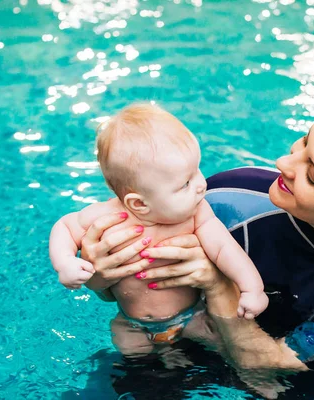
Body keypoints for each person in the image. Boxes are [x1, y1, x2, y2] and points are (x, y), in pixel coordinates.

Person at [78, 93, 314, 370]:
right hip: (165, 343)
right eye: (303, 141)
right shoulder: (229, 192)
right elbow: (124, 289)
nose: (284, 161)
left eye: (311, 176)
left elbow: (272, 368)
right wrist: (101, 273)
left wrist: (217, 285)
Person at [49, 103, 268, 355]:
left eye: (197, 170)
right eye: (185, 182)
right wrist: (65, 263)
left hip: (192, 315)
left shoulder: (197, 215)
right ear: (139, 203)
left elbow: (226, 250)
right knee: (132, 354)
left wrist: (253, 289)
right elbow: (64, 226)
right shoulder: (107, 217)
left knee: (223, 348)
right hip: (133, 324)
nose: (200, 184)